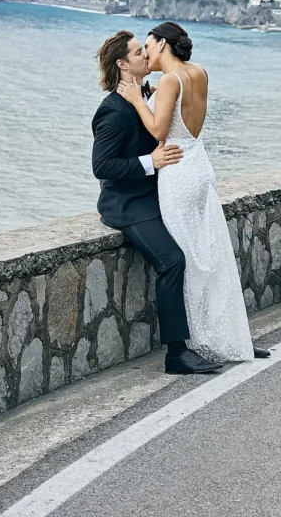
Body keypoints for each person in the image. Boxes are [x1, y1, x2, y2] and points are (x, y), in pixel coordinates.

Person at [116, 21, 269, 363]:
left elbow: (159, 130)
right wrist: (154, 98)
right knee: (213, 256)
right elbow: (184, 116)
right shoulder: (198, 72)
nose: (147, 54)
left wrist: (137, 100)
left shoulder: (170, 80)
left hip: (178, 173)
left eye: (150, 47)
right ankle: (232, 338)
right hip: (201, 166)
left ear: (165, 45)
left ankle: (198, 343)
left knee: (191, 261)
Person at [92, 30, 223, 375]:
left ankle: (218, 336)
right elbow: (101, 166)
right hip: (127, 205)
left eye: (145, 49)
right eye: (139, 53)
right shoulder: (113, 110)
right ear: (122, 64)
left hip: (158, 198)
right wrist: (152, 162)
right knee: (173, 260)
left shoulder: (149, 92)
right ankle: (176, 354)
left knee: (200, 254)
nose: (146, 57)